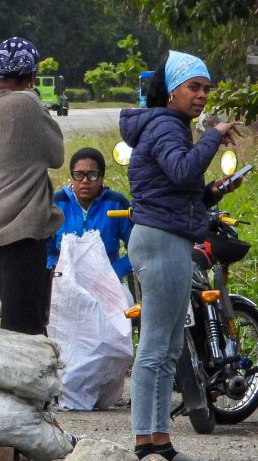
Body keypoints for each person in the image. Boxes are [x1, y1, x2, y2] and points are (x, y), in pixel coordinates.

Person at [121, 51, 243, 461]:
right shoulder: (166, 126)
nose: (202, 95)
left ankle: (159, 441)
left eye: (206, 88)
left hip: (165, 235)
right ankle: (144, 441)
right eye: (194, 87)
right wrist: (212, 135)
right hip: (160, 240)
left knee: (169, 345)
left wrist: (213, 192)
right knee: (156, 346)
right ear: (172, 91)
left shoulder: (168, 125)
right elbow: (180, 169)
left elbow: (178, 186)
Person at [0, 37, 64, 335]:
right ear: (32, 75)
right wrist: (35, 98)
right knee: (23, 327)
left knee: (20, 316)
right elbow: (57, 155)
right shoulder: (27, 104)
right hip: (19, 228)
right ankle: (19, 381)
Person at [47, 147, 132, 280]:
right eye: (78, 175)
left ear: (102, 178)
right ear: (71, 177)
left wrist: (115, 271)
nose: (85, 181)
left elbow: (137, 248)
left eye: (92, 175)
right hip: (66, 281)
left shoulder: (116, 203)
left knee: (125, 300)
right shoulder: (57, 203)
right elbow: (45, 251)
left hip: (108, 282)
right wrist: (59, 272)